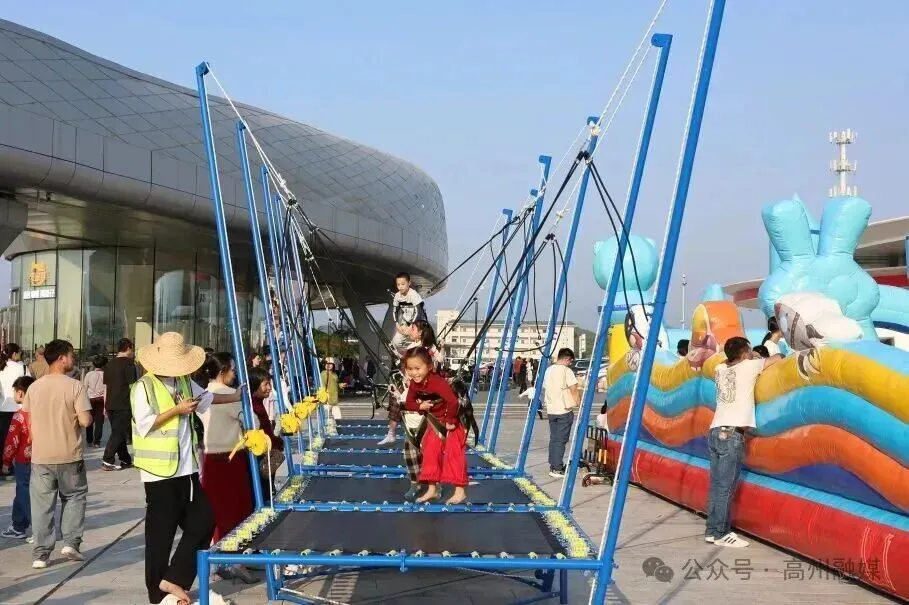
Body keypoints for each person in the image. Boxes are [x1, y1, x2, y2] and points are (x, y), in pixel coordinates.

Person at [130, 332, 242, 605]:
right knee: (161, 534)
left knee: (205, 520)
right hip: (158, 472)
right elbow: (144, 424)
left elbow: (206, 399)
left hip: (186, 468)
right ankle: (158, 594)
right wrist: (177, 410)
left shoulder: (182, 380)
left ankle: (175, 579)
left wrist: (237, 395)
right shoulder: (143, 387)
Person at [705, 336, 781, 548]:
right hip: (732, 434)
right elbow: (778, 357)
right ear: (745, 353)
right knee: (726, 487)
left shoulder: (720, 369)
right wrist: (755, 356)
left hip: (715, 431)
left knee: (716, 486)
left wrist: (743, 354)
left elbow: (725, 361)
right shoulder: (749, 366)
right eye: (748, 350)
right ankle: (721, 534)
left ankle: (712, 531)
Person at [24, 339, 93, 568]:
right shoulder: (75, 386)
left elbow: (28, 421)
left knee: (42, 506)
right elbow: (85, 420)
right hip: (69, 454)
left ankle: (41, 554)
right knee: (74, 497)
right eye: (71, 355)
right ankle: (71, 543)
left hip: (41, 456)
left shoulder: (34, 387)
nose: (73, 359)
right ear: (62, 358)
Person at [198, 352, 257, 585]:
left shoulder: (204, 394)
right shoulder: (230, 396)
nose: (234, 373)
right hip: (231, 457)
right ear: (222, 371)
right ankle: (235, 560)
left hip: (210, 457)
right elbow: (253, 422)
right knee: (237, 510)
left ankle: (222, 559)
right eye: (232, 369)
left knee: (218, 512)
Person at [402, 348, 468, 505]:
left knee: (454, 454)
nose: (414, 373)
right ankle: (432, 489)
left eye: (418, 368)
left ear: (429, 366)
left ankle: (460, 492)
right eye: (410, 369)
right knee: (430, 452)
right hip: (435, 422)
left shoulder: (438, 383)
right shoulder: (414, 384)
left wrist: (450, 420)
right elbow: (409, 403)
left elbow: (453, 402)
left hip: (452, 421)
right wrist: (420, 406)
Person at [1, 375, 36, 540]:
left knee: (24, 493)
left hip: (23, 460)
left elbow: (12, 441)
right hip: (41, 459)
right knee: (24, 491)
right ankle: (18, 525)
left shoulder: (19, 415)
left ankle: (39, 529)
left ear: (21, 393)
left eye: (15, 391)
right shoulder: (40, 412)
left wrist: (6, 462)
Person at [542, 348, 580, 478]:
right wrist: (579, 403)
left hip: (551, 409)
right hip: (564, 409)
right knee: (561, 440)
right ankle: (557, 468)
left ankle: (554, 465)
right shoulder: (566, 371)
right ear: (567, 359)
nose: (571, 363)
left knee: (554, 438)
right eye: (570, 361)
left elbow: (545, 387)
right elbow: (574, 389)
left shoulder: (548, 370)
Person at [248, 367, 283, 499]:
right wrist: (274, 441)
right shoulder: (252, 406)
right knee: (263, 493)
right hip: (260, 457)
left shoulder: (258, 402)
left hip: (266, 454)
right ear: (255, 385)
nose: (269, 388)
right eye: (265, 384)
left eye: (270, 383)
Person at [102, 339, 137, 471]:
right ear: (128, 348)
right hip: (123, 403)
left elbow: (106, 386)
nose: (133, 352)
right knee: (118, 433)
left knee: (119, 432)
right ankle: (107, 459)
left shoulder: (109, 364)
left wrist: (105, 404)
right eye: (132, 349)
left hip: (110, 403)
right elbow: (133, 385)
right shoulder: (129, 364)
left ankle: (125, 459)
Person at [0, 343, 29, 468]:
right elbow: (29, 386)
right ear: (15, 354)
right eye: (20, 352)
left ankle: (3, 465)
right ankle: (14, 464)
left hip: (2, 408)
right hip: (19, 409)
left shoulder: (1, 367)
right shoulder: (23, 368)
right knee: (19, 439)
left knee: (3, 439)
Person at [390, 272, 427, 354]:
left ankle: (416, 352)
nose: (400, 287)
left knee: (421, 345)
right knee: (394, 344)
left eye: (403, 284)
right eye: (398, 285)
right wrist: (397, 324)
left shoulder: (413, 295)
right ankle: (406, 355)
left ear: (409, 283)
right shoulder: (397, 296)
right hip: (406, 323)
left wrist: (412, 326)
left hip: (419, 323)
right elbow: (395, 311)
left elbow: (418, 312)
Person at [83, 355, 107, 447]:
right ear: (104, 364)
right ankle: (97, 441)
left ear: (94, 364)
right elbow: (107, 389)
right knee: (99, 422)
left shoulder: (89, 374)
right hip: (101, 399)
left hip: (90, 399)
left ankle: (89, 440)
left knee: (89, 419)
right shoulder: (105, 374)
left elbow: (85, 387)